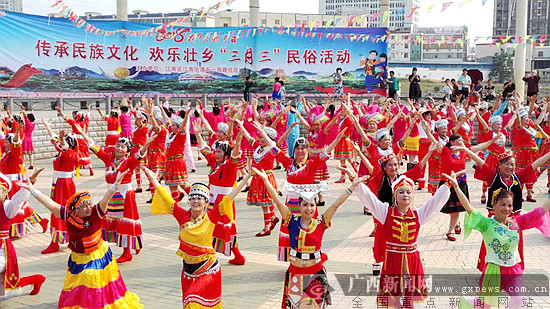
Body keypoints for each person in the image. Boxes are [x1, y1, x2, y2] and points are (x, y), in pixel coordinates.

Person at [19, 170, 144, 308]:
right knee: (78, 282)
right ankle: (82, 303)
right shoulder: (68, 215)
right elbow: (49, 204)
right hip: (78, 257)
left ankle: (96, 304)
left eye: (89, 204)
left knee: (91, 277)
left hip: (97, 254)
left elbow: (106, 198)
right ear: (75, 210)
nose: (88, 208)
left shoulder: (96, 213)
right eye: (84, 206)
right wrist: (33, 190)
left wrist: (115, 185)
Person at [255, 167, 368, 309]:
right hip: (295, 274)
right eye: (305, 205)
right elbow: (278, 202)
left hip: (315, 274)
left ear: (316, 206)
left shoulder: (321, 222)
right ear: (299, 207)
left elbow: (336, 204)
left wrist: (352, 186)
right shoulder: (291, 221)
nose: (309, 208)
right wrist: (265, 180)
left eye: (312, 205)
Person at [144, 167, 252, 308]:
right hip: (188, 272)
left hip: (207, 270)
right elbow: (165, 197)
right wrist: (153, 179)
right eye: (192, 198)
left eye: (199, 198)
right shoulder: (182, 216)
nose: (195, 201)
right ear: (188, 201)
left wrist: (246, 177)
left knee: (193, 303)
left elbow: (230, 196)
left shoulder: (212, 217)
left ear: (206, 202)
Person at [446, 175, 550, 309]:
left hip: (513, 271)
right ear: (494, 204)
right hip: (493, 271)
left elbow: (539, 212)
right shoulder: (486, 224)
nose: (507, 208)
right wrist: (456, 187)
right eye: (503, 204)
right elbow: (469, 208)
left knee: (518, 301)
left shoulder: (516, 222)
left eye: (510, 205)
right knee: (484, 306)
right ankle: (467, 303)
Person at [355, 172, 452, 307]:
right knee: (394, 294)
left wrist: (447, 185)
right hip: (393, 259)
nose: (405, 195)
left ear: (412, 196)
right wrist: (357, 183)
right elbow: (371, 200)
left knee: (411, 294)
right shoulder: (386, 212)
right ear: (395, 195)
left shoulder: (419, 214)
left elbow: (434, 203)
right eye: (401, 192)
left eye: (408, 192)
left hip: (412, 259)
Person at [460, 147, 550, 272]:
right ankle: (488, 268)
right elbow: (480, 162)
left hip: (514, 219)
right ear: (500, 166)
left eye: (512, 164)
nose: (510, 167)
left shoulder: (519, 177)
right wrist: (465, 149)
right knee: (492, 242)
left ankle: (514, 268)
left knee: (514, 242)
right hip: (495, 220)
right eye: (506, 164)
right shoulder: (493, 177)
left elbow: (536, 164)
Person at [75, 123, 155, 263]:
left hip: (125, 196)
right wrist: (83, 134)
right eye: (118, 146)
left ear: (127, 151)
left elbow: (139, 156)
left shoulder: (129, 162)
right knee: (110, 221)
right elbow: (96, 148)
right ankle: (131, 245)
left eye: (122, 147)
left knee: (125, 223)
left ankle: (127, 252)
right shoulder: (109, 159)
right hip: (112, 196)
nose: (118, 148)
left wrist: (146, 145)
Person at [193, 119, 246, 265]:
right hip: (212, 200)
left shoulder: (229, 166)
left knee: (223, 228)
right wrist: (198, 134)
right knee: (212, 226)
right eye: (216, 151)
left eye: (220, 152)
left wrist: (239, 141)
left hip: (224, 201)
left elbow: (235, 156)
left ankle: (233, 255)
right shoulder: (214, 163)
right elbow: (204, 148)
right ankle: (233, 255)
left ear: (226, 154)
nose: (216, 154)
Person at [0, 172, 46, 298]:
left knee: (8, 281)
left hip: (2, 249)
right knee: (6, 282)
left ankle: (37, 279)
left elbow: (17, 200)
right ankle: (36, 279)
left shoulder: (6, 207)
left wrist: (27, 185)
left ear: (4, 192)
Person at [235, 119, 283, 236]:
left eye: (264, 137)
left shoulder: (272, 150)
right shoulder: (258, 147)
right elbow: (248, 137)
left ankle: (267, 227)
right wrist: (241, 125)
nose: (261, 139)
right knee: (267, 203)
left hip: (266, 177)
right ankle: (272, 218)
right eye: (260, 137)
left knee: (265, 204)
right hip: (257, 178)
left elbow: (278, 144)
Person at [40, 119, 79, 254]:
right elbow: (56, 142)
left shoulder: (72, 154)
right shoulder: (63, 152)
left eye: (65, 140)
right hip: (58, 184)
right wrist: (48, 127)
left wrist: (62, 140)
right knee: (58, 210)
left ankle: (57, 241)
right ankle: (59, 239)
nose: (62, 142)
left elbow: (63, 146)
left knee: (61, 210)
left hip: (65, 185)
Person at [56, 106, 94, 176]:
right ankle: (90, 169)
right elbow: (88, 116)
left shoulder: (74, 123)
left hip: (76, 141)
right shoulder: (85, 122)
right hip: (84, 139)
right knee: (86, 153)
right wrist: (88, 109)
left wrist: (61, 112)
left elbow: (66, 118)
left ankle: (77, 171)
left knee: (76, 154)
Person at [20, 105, 35, 169]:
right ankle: (31, 164)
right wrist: (32, 110)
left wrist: (23, 109)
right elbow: (31, 116)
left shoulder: (28, 123)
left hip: (25, 138)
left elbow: (25, 116)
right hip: (30, 138)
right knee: (30, 153)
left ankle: (22, 164)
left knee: (22, 152)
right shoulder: (33, 124)